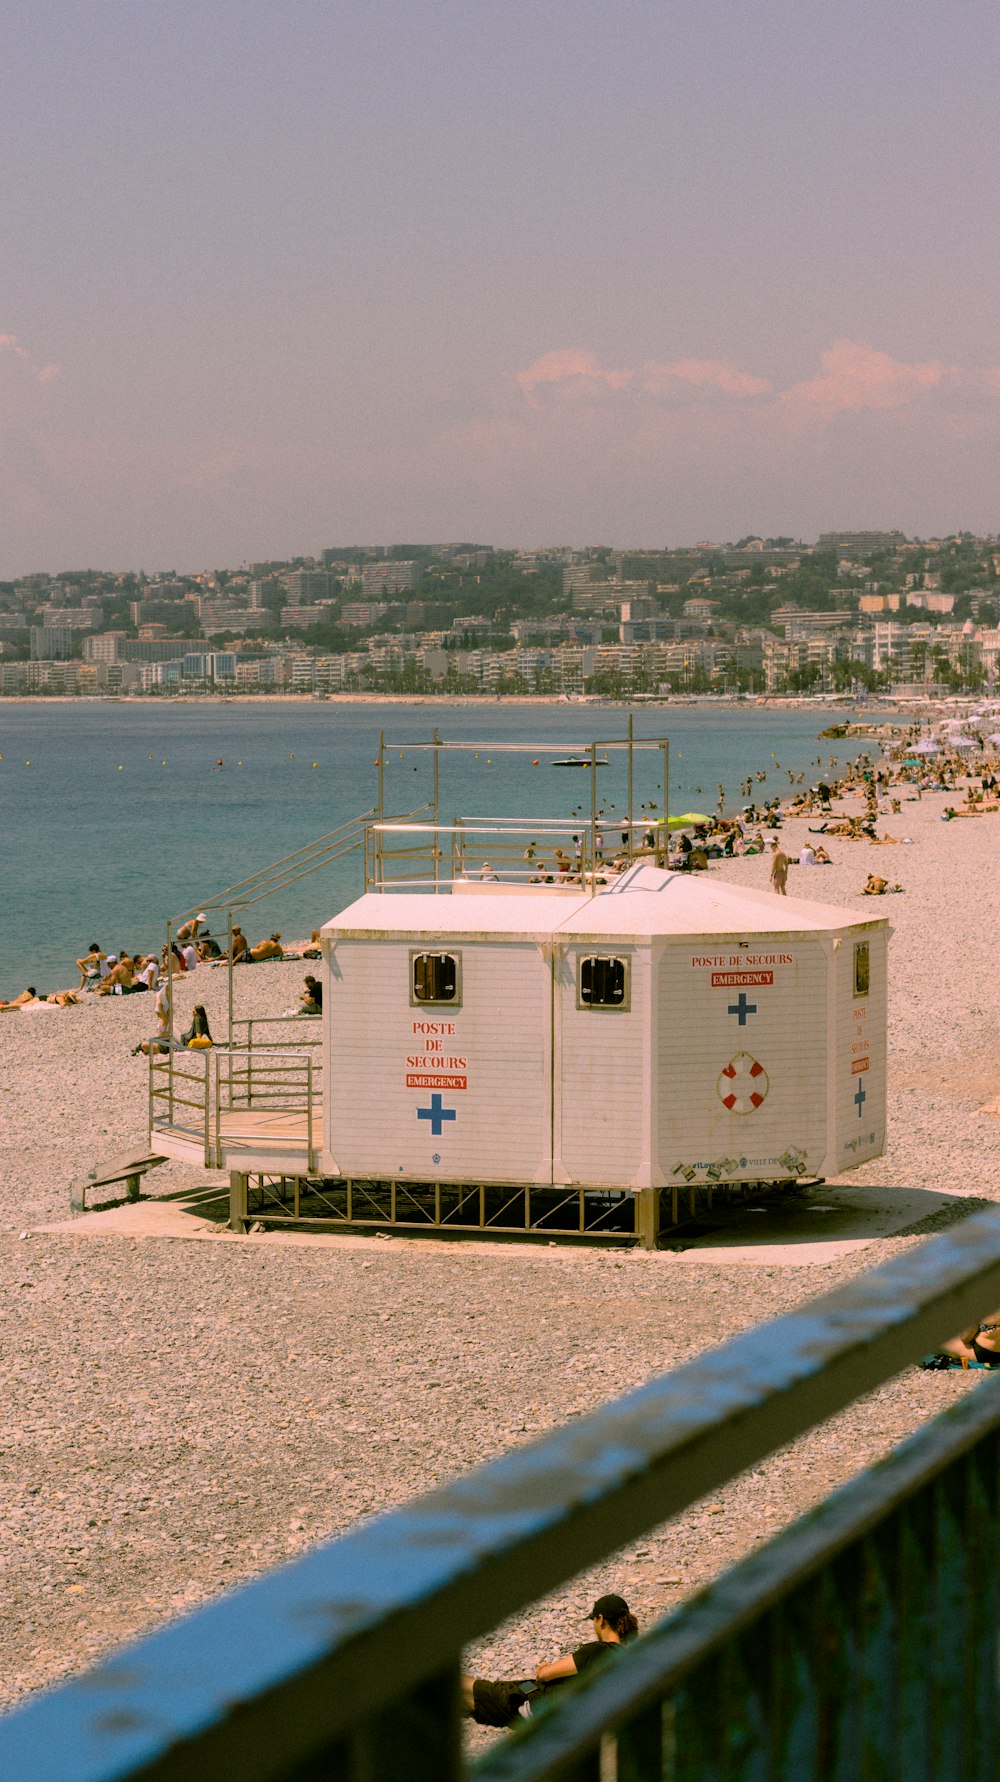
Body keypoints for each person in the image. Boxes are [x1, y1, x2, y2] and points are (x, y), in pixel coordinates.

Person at [462, 1595, 639, 1729]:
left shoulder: (599, 1650)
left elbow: (545, 1675)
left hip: (535, 1706)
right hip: (562, 1719)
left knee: (476, 1689)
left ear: (600, 1619)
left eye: (593, 1619)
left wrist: (544, 1668)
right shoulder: (627, 1657)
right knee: (477, 1705)